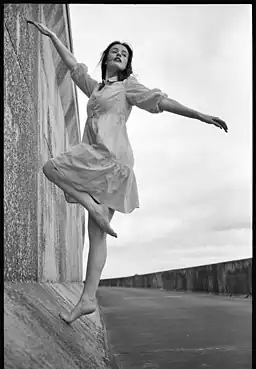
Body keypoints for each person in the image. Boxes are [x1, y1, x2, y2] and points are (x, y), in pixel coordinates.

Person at [27, 19, 228, 324]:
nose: (120, 54)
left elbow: (161, 101)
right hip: (95, 158)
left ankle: (87, 288)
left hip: (114, 161)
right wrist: (53, 35)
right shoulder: (95, 89)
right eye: (115, 51)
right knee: (56, 175)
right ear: (106, 58)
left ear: (126, 64)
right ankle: (88, 296)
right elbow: (73, 64)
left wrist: (199, 115)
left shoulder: (127, 87)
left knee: (72, 196)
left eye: (124, 53)